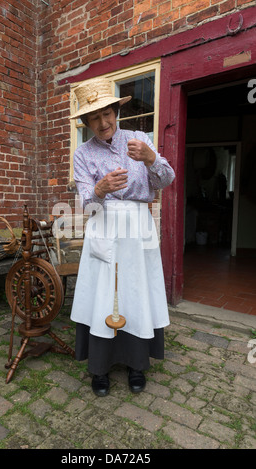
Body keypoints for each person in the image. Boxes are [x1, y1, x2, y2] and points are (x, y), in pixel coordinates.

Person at [69, 77, 175, 397]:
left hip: (137, 225)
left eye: (107, 114)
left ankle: (136, 364)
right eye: (94, 117)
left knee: (135, 290)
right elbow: (85, 202)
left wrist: (151, 159)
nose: (103, 123)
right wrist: (99, 190)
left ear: (116, 111)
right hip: (103, 223)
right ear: (86, 121)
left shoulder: (139, 139)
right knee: (102, 293)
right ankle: (99, 368)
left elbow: (167, 178)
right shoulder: (83, 154)